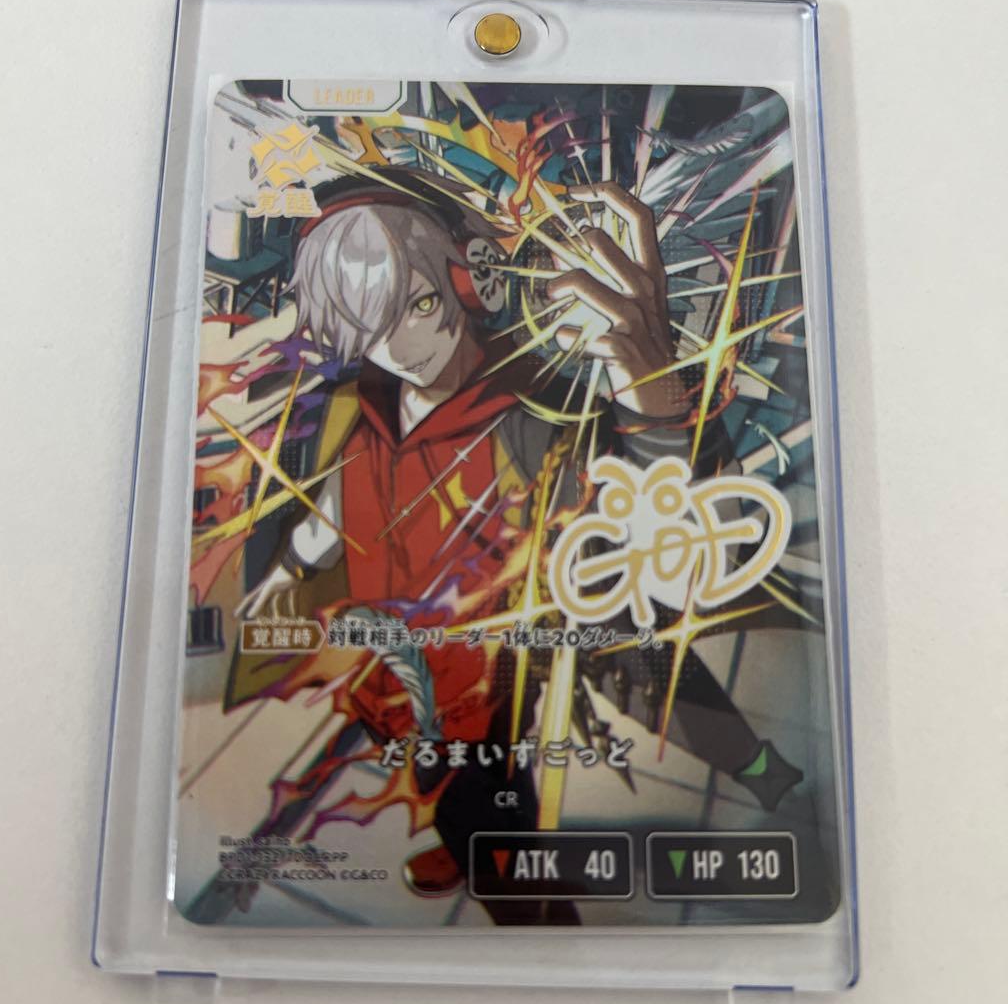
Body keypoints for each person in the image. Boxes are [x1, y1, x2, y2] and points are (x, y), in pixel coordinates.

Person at [205, 167, 801, 924]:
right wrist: (290, 570)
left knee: (646, 672)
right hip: (420, 651)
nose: (402, 346)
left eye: (419, 305)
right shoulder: (366, 408)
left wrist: (652, 395)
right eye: (374, 326)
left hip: (525, 625)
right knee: (465, 787)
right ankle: (496, 870)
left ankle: (755, 775)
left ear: (470, 279)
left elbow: (660, 519)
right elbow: (337, 506)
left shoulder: (525, 405)